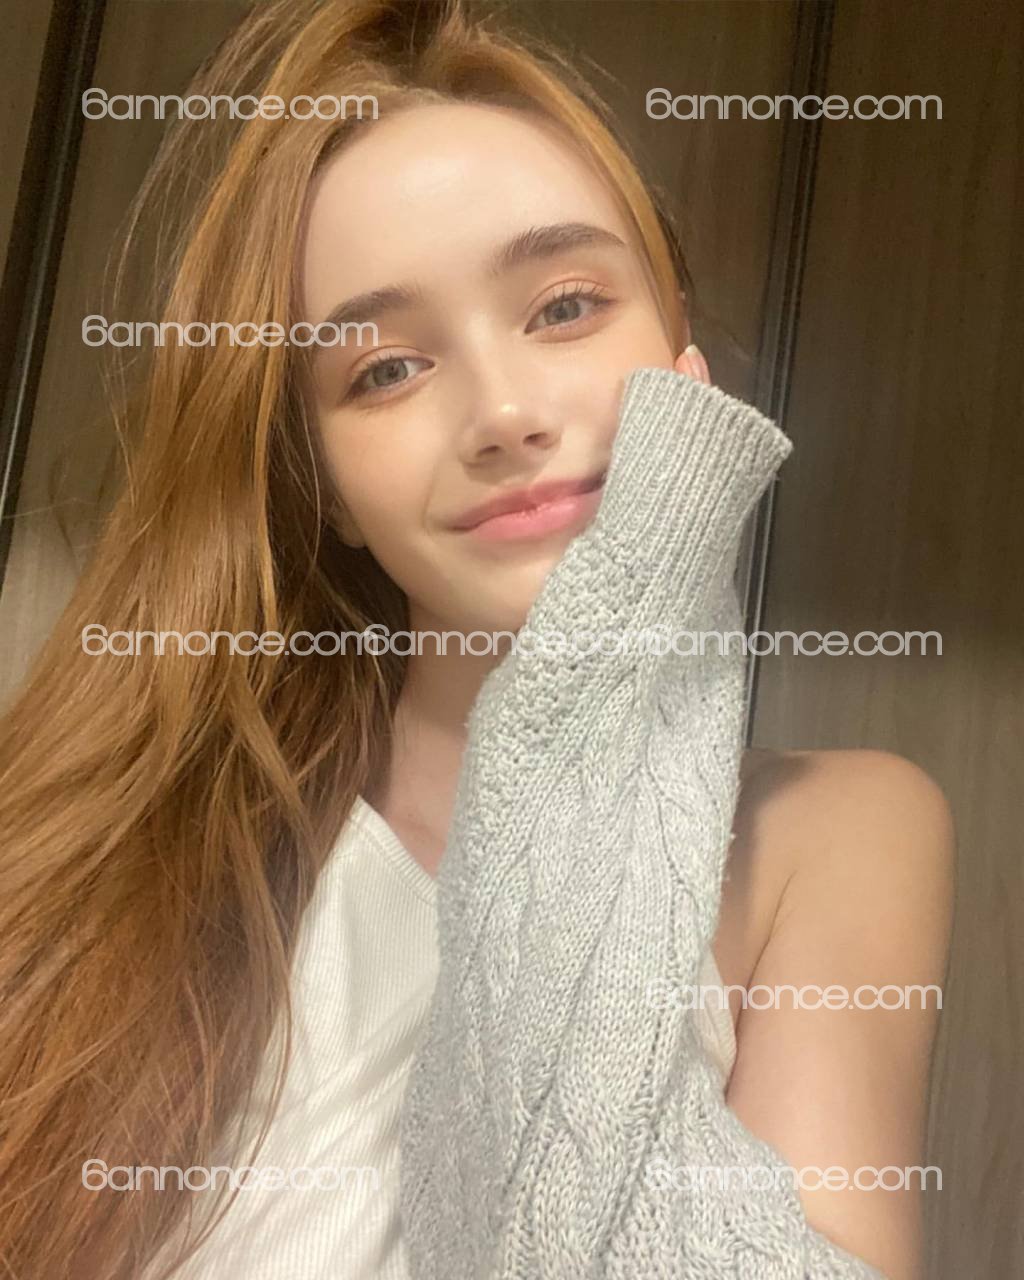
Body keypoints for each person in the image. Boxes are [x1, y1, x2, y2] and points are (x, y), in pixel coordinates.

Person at [0, 1, 954, 1278]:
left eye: (564, 306)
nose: (503, 411)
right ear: (327, 485)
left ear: (679, 350)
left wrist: (606, 664)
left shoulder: (836, 831)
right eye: (385, 370)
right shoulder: (103, 846)